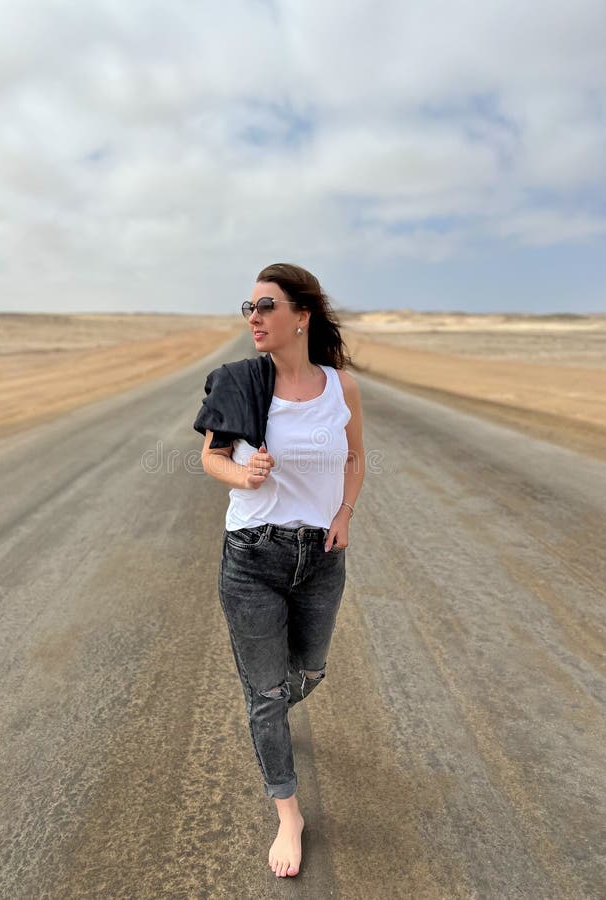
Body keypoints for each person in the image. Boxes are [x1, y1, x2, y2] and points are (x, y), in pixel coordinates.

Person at [197, 263, 365, 878]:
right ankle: (287, 813)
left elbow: (354, 456)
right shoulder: (242, 381)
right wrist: (245, 474)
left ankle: (265, 706)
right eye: (249, 307)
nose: (254, 318)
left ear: (302, 316)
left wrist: (344, 512)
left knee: (311, 672)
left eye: (266, 306)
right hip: (252, 557)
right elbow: (211, 456)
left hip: (322, 557)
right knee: (267, 698)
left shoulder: (339, 387)